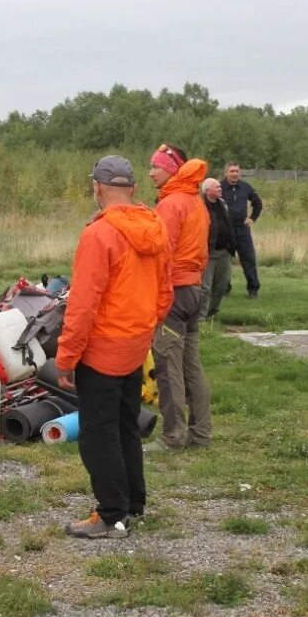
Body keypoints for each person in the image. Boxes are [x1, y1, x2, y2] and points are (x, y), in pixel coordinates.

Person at [56, 155, 172, 539]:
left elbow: (83, 304)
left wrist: (67, 358)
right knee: (125, 426)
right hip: (135, 344)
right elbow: (164, 292)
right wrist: (143, 328)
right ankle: (132, 505)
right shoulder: (154, 226)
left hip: (103, 349)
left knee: (98, 433)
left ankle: (111, 516)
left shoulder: (99, 234)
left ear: (97, 188)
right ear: (134, 189)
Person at [148, 144, 212, 450]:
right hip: (194, 290)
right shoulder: (195, 201)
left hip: (173, 292)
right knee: (191, 366)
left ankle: (173, 437)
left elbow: (160, 253)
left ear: (172, 169)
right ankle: (201, 435)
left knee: (168, 366)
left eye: (155, 167)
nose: (150, 173)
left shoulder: (171, 204)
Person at [220, 162, 263, 299]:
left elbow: (258, 203)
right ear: (226, 173)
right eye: (231, 171)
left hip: (242, 230)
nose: (234, 174)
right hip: (225, 231)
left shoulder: (245, 187)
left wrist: (252, 218)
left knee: (248, 260)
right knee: (224, 262)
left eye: (237, 171)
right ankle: (224, 289)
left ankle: (253, 290)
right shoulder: (219, 187)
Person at [198, 177, 234, 321]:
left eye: (220, 187)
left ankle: (211, 313)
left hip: (225, 252)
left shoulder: (223, 204)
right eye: (217, 187)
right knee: (205, 287)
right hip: (209, 252)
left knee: (222, 285)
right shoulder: (200, 206)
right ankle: (200, 318)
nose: (220, 189)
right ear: (207, 191)